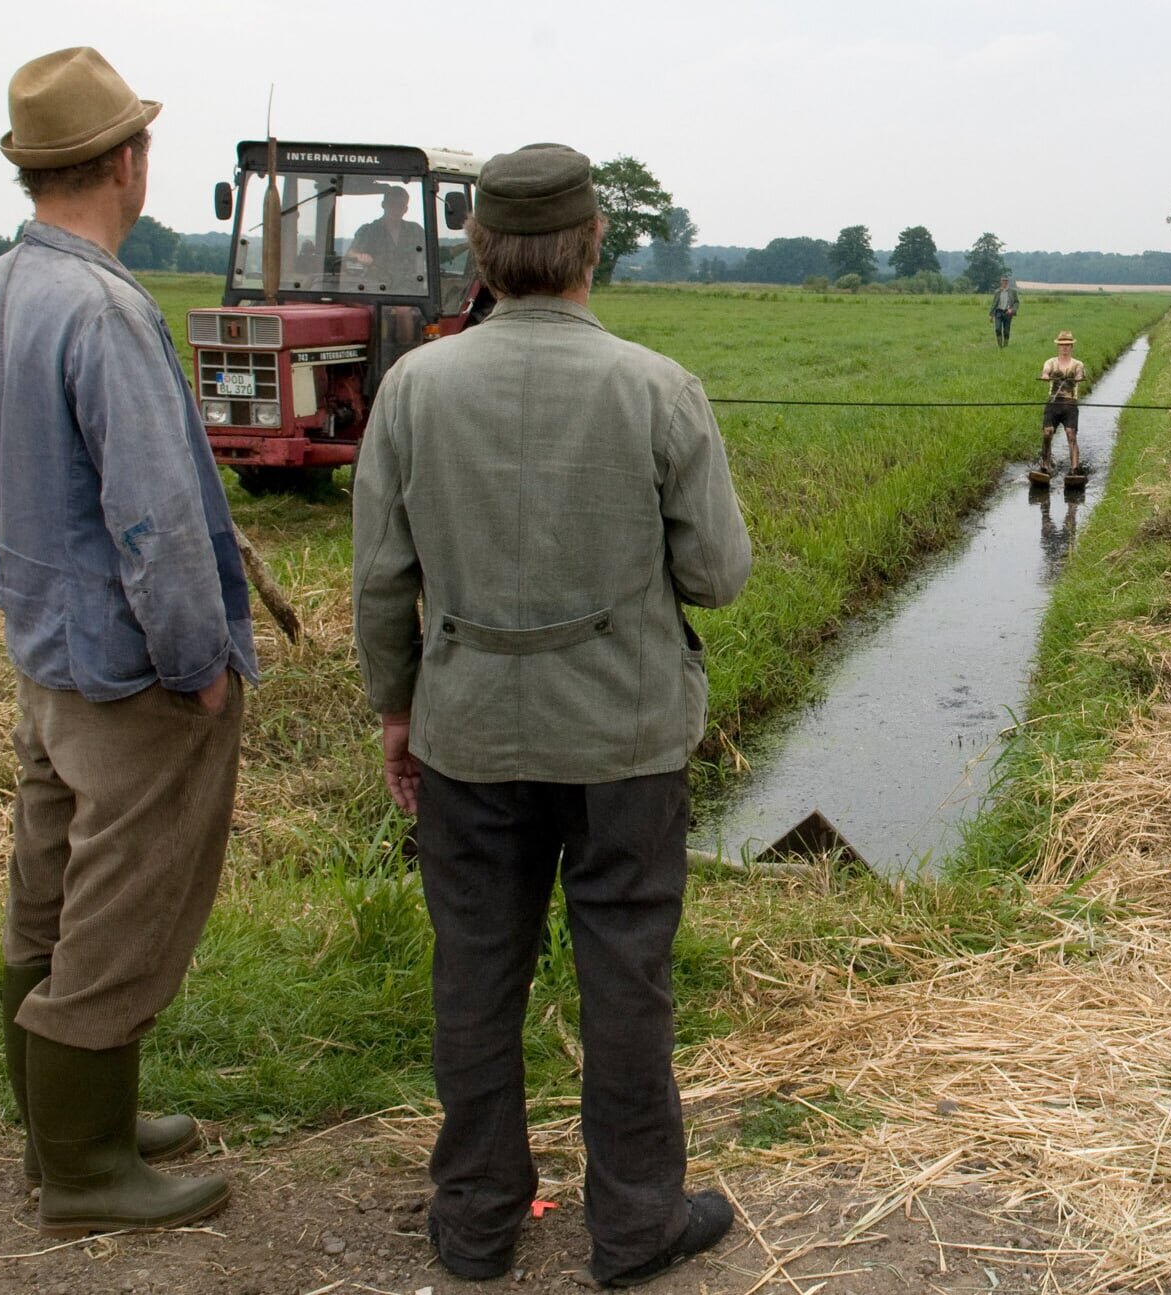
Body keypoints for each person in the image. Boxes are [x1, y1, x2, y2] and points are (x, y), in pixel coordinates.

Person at [352, 142, 752, 1289]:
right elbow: (718, 574)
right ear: (591, 247)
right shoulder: (656, 387)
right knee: (624, 969)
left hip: (466, 728)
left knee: (475, 967)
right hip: (623, 735)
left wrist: (396, 709)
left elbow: (381, 580)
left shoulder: (414, 388)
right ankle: (633, 1223)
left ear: (479, 254)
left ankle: (474, 1218)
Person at [0, 46, 254, 1236]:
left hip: (44, 651)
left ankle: (65, 1125)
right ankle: (85, 1171)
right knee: (128, 905)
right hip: (126, 670)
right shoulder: (102, 306)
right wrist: (197, 666)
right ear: (126, 161)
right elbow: (156, 515)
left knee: (50, 890)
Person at [345, 186, 425, 287]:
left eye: (400, 205)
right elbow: (351, 253)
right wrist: (360, 257)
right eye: (392, 204)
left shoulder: (415, 230)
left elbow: (432, 252)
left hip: (411, 291)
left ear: (406, 209)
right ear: (383, 205)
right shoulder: (368, 231)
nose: (396, 209)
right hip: (378, 288)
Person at [1037, 330, 1090, 478]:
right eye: (1062, 345)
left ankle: (1075, 468)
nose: (1064, 347)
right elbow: (1045, 372)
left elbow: (1080, 374)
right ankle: (1045, 466)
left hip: (1070, 404)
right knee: (1047, 432)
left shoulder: (1077, 364)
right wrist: (1045, 376)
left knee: (1070, 433)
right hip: (1053, 403)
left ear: (1071, 347)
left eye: (1067, 345)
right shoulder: (1050, 362)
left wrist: (1078, 378)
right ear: (1058, 346)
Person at [989, 274, 1019, 347]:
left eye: (1006, 281)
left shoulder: (1013, 291)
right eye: (1003, 281)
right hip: (998, 312)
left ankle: (1005, 347)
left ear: (1007, 282)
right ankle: (1000, 347)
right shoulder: (997, 292)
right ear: (1001, 282)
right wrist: (991, 315)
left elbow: (1016, 302)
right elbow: (994, 303)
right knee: (997, 329)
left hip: (1007, 313)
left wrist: (1012, 310)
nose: (1004, 282)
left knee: (1006, 331)